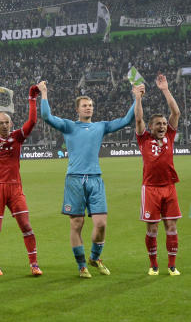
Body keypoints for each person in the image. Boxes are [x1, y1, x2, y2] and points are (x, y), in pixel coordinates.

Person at [39, 80, 140, 277]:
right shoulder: (69, 126)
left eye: (91, 105)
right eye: (85, 105)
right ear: (77, 109)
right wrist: (44, 93)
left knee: (101, 224)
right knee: (76, 224)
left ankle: (95, 257)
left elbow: (127, 119)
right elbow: (46, 116)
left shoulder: (101, 126)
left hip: (95, 179)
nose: (89, 108)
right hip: (75, 180)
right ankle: (81, 266)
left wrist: (136, 98)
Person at [0, 79, 43, 276]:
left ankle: (34, 264)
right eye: (0, 123)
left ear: (11, 123)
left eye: (6, 122)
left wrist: (32, 98)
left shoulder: (18, 136)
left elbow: (32, 121)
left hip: (15, 187)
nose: (4, 125)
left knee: (26, 225)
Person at [134, 74, 181, 276]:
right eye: (158, 124)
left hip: (169, 187)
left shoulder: (170, 135)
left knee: (171, 226)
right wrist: (138, 98)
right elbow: (138, 118)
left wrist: (164, 89)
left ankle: (171, 265)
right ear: (150, 127)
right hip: (151, 189)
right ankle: (153, 265)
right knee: (152, 229)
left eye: (164, 124)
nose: (163, 126)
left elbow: (176, 112)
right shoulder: (143, 139)